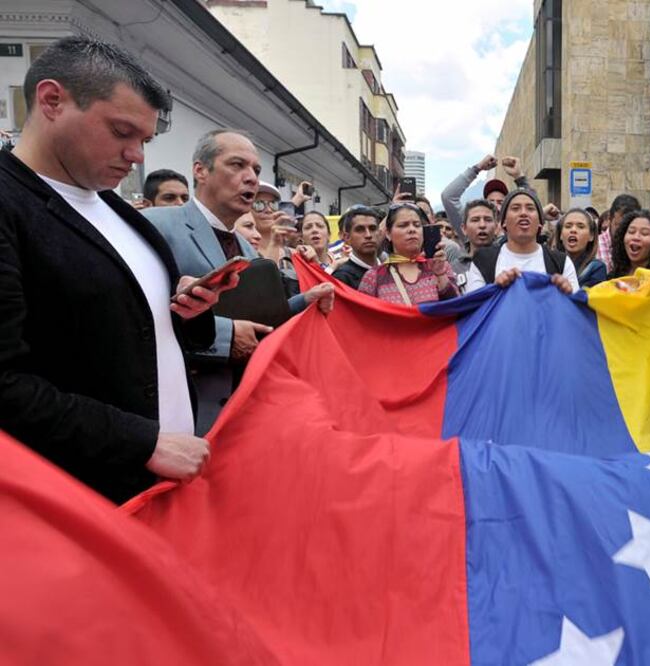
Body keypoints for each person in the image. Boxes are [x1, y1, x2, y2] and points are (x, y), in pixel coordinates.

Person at [0, 36, 235, 503]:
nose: (137, 156)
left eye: (144, 140)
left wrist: (188, 311)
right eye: (121, 131)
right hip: (79, 503)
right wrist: (141, 442)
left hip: (160, 490)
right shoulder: (10, 204)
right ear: (52, 101)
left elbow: (143, 331)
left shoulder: (116, 208)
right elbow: (6, 384)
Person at [144, 129, 332, 434]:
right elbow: (140, 313)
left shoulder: (246, 249)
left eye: (255, 170)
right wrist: (226, 335)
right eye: (237, 165)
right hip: (183, 414)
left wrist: (304, 301)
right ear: (200, 171)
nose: (251, 178)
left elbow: (255, 317)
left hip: (244, 410)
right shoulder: (158, 225)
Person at [465, 189, 578, 294]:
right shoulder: (483, 260)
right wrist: (495, 290)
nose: (523, 213)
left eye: (530, 208)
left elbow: (577, 311)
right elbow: (473, 309)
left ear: (540, 222)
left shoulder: (561, 262)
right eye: (515, 208)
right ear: (503, 222)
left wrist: (567, 296)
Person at [358, 202, 458, 305]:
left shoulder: (442, 267)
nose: (412, 230)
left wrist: (440, 274)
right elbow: (363, 317)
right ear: (388, 233)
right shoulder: (373, 277)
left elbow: (457, 309)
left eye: (417, 225)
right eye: (403, 225)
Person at [440, 154, 530, 238]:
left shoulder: (517, 234)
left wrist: (519, 177)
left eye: (500, 202)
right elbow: (448, 197)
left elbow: (530, 207)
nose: (495, 206)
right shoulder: (473, 232)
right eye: (490, 202)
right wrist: (477, 168)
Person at [331, 204, 383, 288]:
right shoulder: (342, 278)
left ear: (380, 234)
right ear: (347, 237)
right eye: (360, 230)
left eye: (372, 228)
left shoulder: (392, 272)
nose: (368, 235)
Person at [555, 208, 608, 288]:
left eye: (580, 227)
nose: (573, 230)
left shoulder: (597, 268)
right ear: (560, 235)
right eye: (568, 226)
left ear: (591, 236)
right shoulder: (550, 262)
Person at [449, 199, 500, 276]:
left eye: (488, 220)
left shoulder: (506, 259)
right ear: (464, 229)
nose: (482, 225)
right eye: (475, 220)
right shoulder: (454, 269)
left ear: (496, 227)